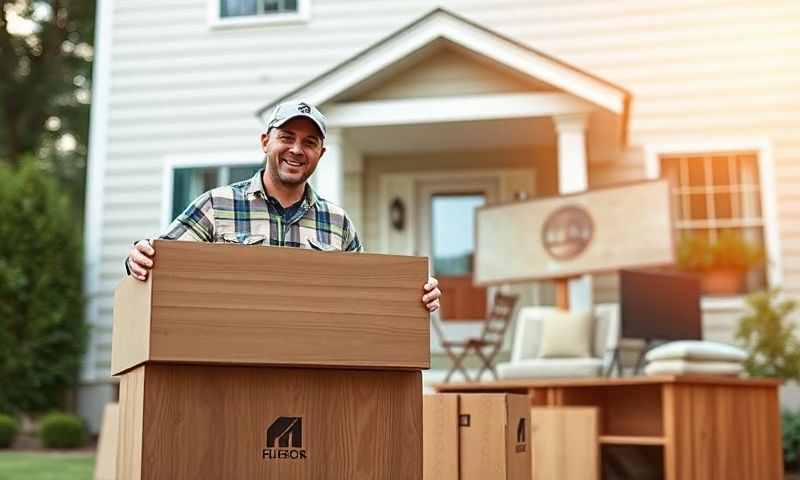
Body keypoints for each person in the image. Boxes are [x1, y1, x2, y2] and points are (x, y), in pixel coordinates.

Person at [126, 100, 441, 312]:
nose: (296, 149)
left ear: (321, 152)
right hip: (229, 368)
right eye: (287, 137)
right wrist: (138, 257)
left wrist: (415, 296)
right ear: (266, 142)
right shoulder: (216, 205)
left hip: (311, 368)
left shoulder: (337, 222)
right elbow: (159, 266)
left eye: (309, 142)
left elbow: (366, 299)